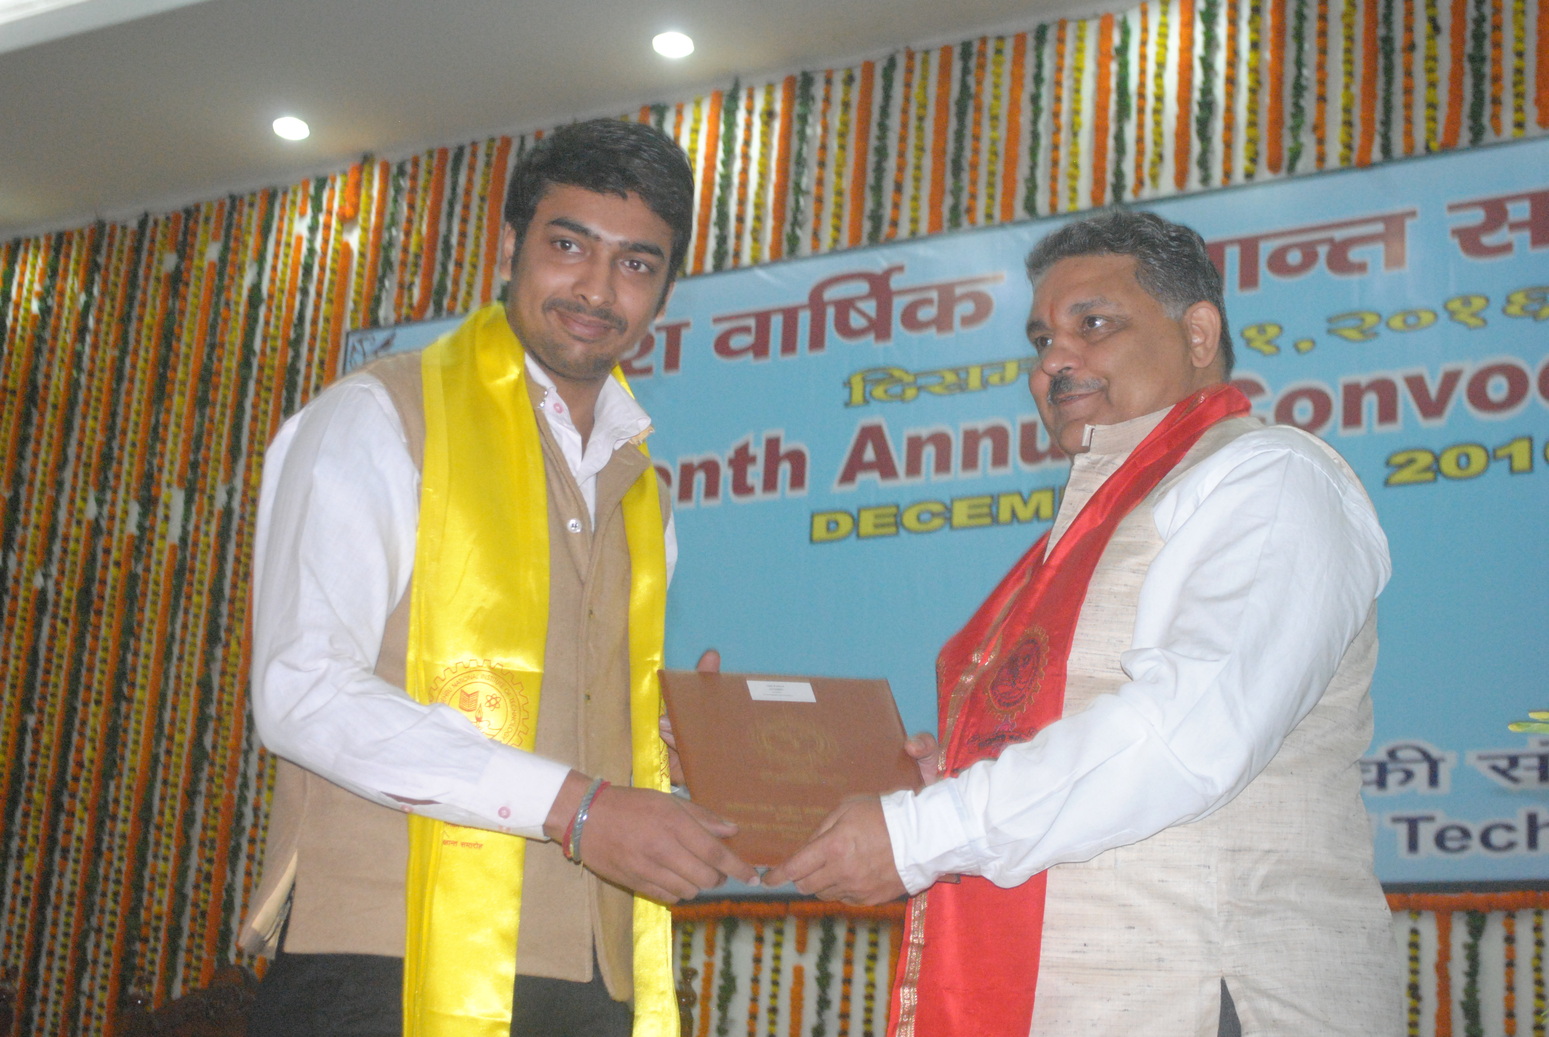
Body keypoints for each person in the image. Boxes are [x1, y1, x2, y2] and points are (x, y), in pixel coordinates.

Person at [768, 210, 1400, 1036]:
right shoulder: (1081, 537)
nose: (1053, 361)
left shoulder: (1270, 476)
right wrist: (940, 786)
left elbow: (1186, 734)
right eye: (1041, 340)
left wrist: (921, 831)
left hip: (1219, 996)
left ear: (1198, 333)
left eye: (1092, 325)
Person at [239, 118, 755, 1037]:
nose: (597, 288)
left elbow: (571, 715)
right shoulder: (378, 415)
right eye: (569, 246)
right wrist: (580, 806)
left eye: (636, 263)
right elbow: (302, 690)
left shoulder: (643, 490)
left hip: (589, 975)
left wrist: (661, 745)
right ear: (510, 247)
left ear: (664, 293)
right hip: (383, 961)